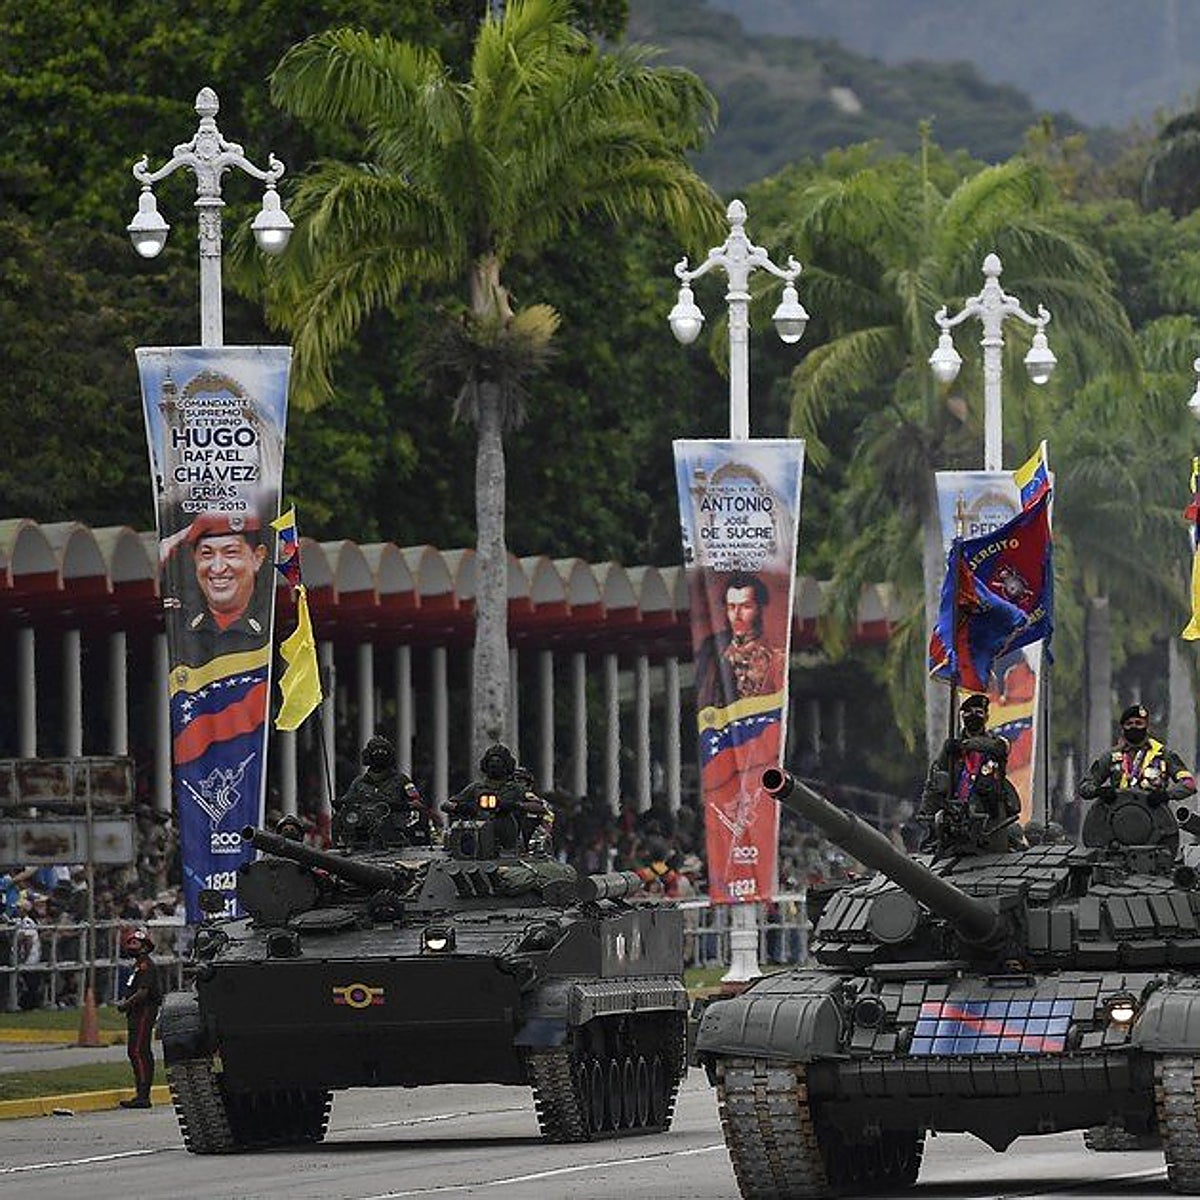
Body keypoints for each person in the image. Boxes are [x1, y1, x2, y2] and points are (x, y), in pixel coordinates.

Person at [918, 693, 1020, 852]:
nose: (973, 716)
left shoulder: (997, 743)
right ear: (962, 716)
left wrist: (965, 745)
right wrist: (927, 815)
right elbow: (936, 781)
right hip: (957, 821)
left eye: (978, 713)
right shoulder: (951, 749)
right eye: (968, 713)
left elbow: (998, 748)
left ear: (986, 717)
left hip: (990, 821)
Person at [168, 513, 270, 665]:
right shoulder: (177, 624)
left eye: (231, 553)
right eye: (207, 554)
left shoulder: (274, 619)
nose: (218, 568)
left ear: (257, 557)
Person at [693, 571, 786, 711]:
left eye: (746, 606)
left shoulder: (775, 657)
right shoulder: (713, 650)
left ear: (760, 609)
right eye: (731, 607)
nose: (737, 615)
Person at [1078, 704, 1197, 806]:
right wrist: (1099, 791)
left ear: (1147, 726)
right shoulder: (1111, 757)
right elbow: (1084, 786)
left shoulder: (1163, 754)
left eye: (1139, 723)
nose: (1134, 727)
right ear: (1123, 728)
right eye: (1129, 724)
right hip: (1118, 817)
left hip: (1155, 819)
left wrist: (1166, 795)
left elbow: (1189, 784)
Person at [332, 735, 435, 848]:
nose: (379, 755)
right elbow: (346, 802)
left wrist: (399, 807)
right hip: (362, 837)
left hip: (395, 836)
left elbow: (417, 804)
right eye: (376, 752)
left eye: (383, 752)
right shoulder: (360, 782)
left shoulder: (401, 781)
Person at [444, 744, 533, 852]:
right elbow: (446, 805)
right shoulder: (476, 788)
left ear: (507, 765)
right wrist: (463, 807)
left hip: (508, 845)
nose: (494, 764)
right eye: (491, 761)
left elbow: (539, 806)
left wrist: (514, 806)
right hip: (477, 844)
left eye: (498, 761)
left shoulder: (516, 789)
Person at [116, 927, 162, 1109]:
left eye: (134, 943)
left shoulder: (146, 965)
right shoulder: (137, 965)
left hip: (144, 1012)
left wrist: (125, 1005)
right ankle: (140, 1094)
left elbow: (143, 992)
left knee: (138, 1051)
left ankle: (143, 1096)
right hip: (136, 1012)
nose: (131, 946)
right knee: (135, 1051)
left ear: (144, 947)